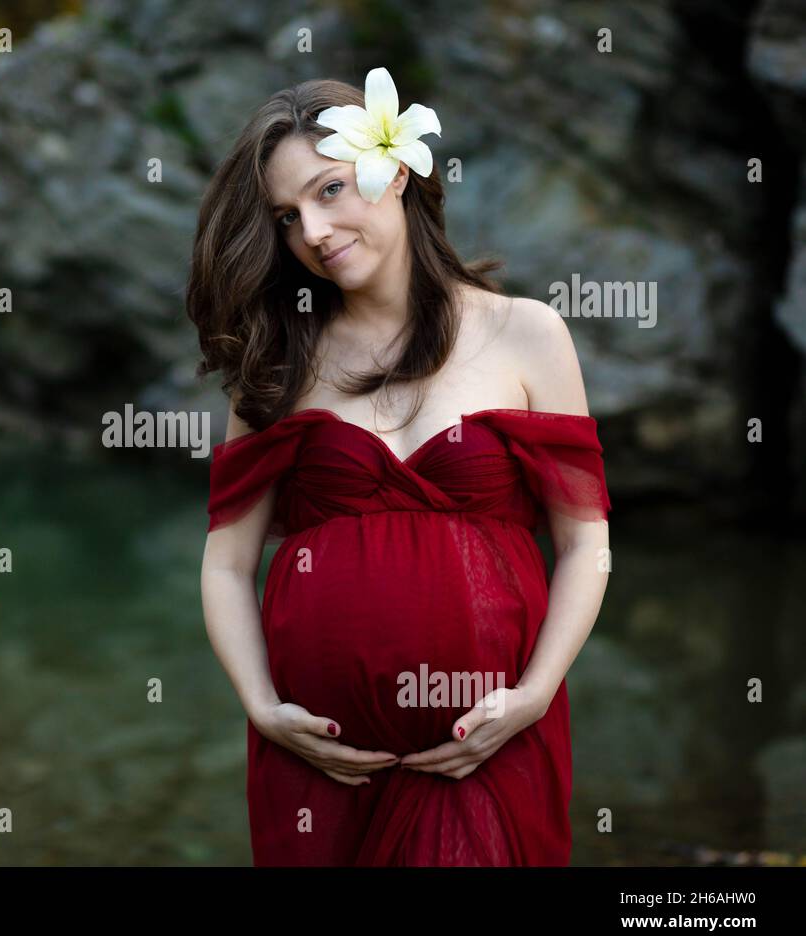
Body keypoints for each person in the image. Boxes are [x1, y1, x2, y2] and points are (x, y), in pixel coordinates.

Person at [187, 68, 612, 865]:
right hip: (322, 765)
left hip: (488, 745)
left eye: (331, 190)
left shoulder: (528, 334)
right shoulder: (276, 364)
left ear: (401, 169)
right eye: (287, 216)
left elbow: (587, 543)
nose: (311, 230)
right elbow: (226, 562)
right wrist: (263, 707)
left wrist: (533, 696)